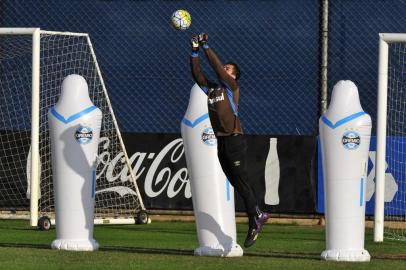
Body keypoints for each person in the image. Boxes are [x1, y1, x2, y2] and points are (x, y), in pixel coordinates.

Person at [189, 33, 269, 248]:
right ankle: (257, 214)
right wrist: (194, 51)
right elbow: (198, 76)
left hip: (234, 140)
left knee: (241, 180)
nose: (224, 69)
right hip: (221, 142)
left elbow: (215, 68)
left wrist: (206, 47)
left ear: (234, 76)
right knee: (236, 182)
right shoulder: (213, 89)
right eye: (224, 67)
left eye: (228, 68)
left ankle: (257, 216)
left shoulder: (232, 88)